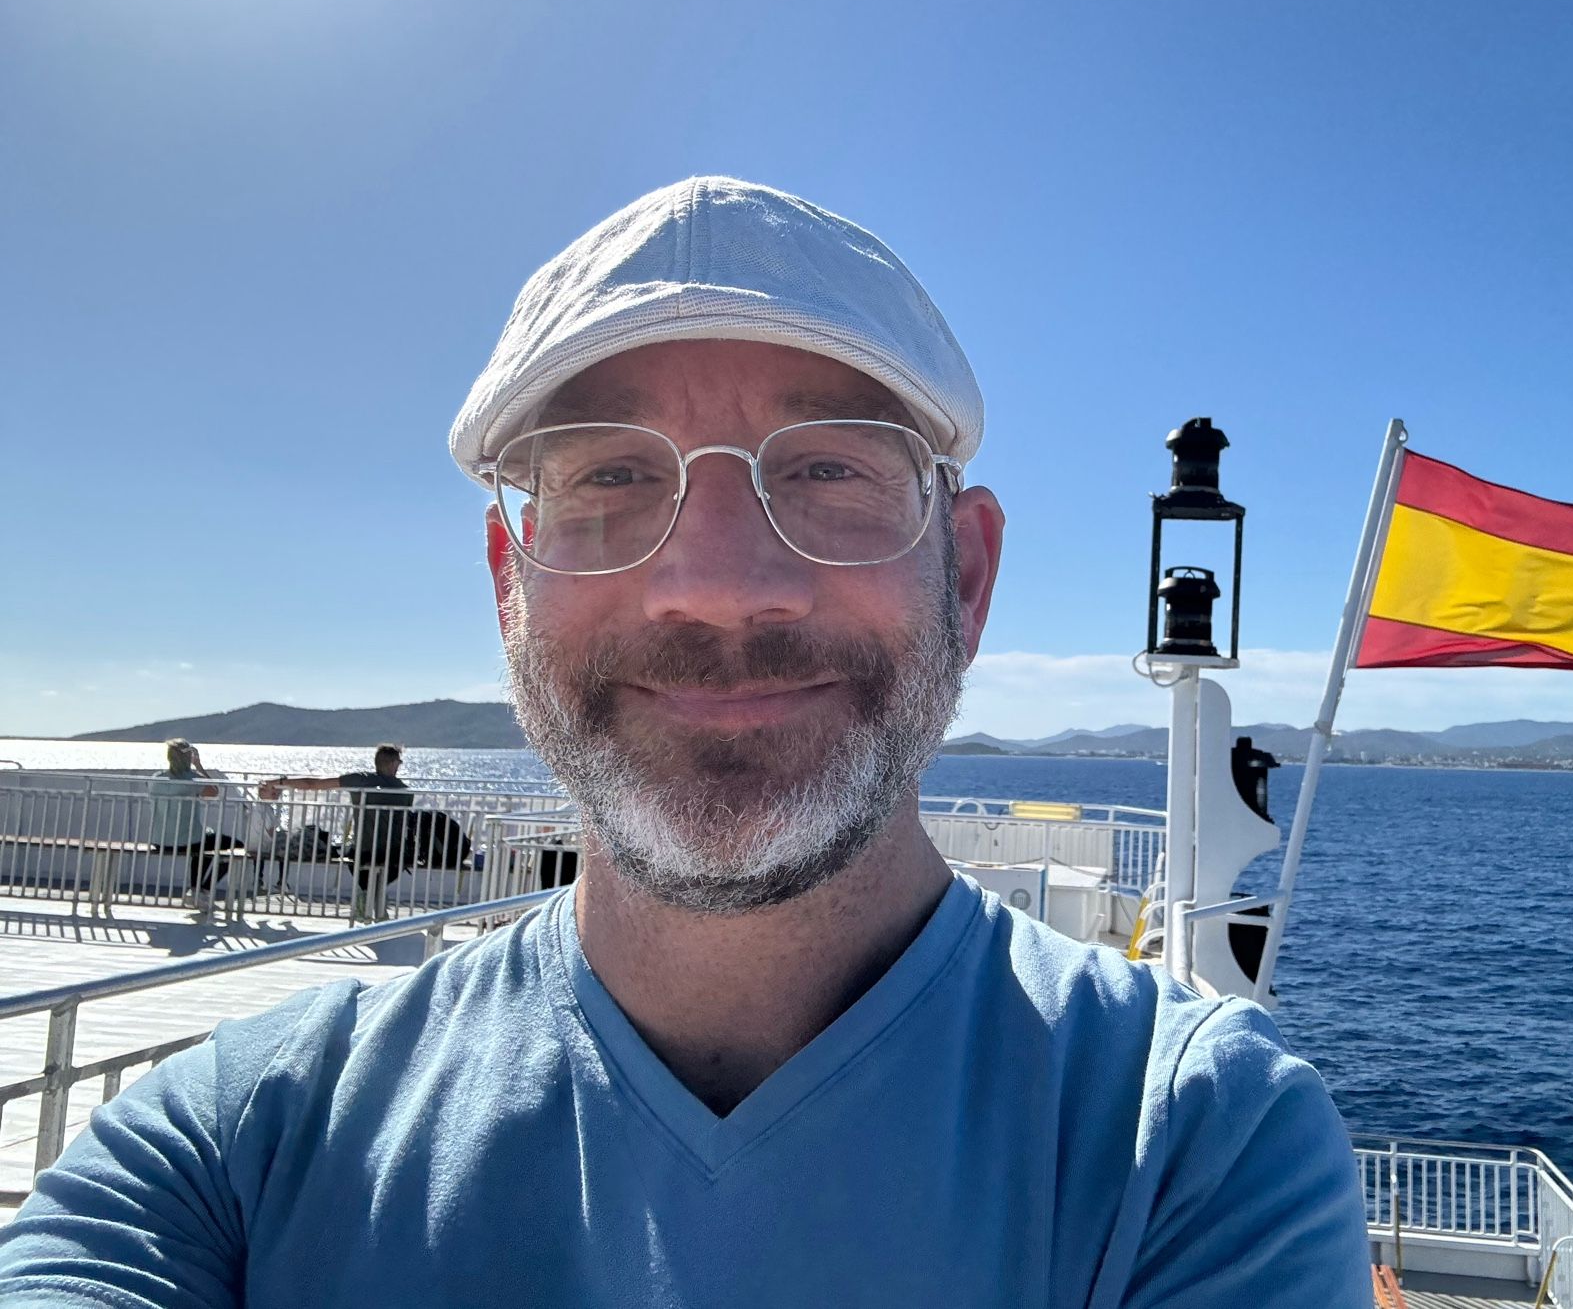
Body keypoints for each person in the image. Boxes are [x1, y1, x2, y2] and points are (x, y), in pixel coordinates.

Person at [0, 178, 1373, 1306]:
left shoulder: (1192, 1149)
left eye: (830, 467)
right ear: (507, 582)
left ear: (968, 575)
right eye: (609, 475)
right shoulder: (228, 1156)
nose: (716, 582)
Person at [258, 745, 415, 920]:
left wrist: (278, 783)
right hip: (396, 854)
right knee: (384, 868)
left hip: (363, 851)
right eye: (399, 762)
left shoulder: (361, 780)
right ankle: (376, 906)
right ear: (393, 764)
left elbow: (313, 785)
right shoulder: (405, 791)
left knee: (355, 859)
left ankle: (369, 900)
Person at [146, 738, 238, 909]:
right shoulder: (192, 779)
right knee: (234, 846)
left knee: (203, 844)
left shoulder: (156, 779)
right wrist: (199, 766)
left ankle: (197, 891)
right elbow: (213, 792)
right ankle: (201, 889)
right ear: (188, 756)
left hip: (159, 840)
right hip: (186, 840)